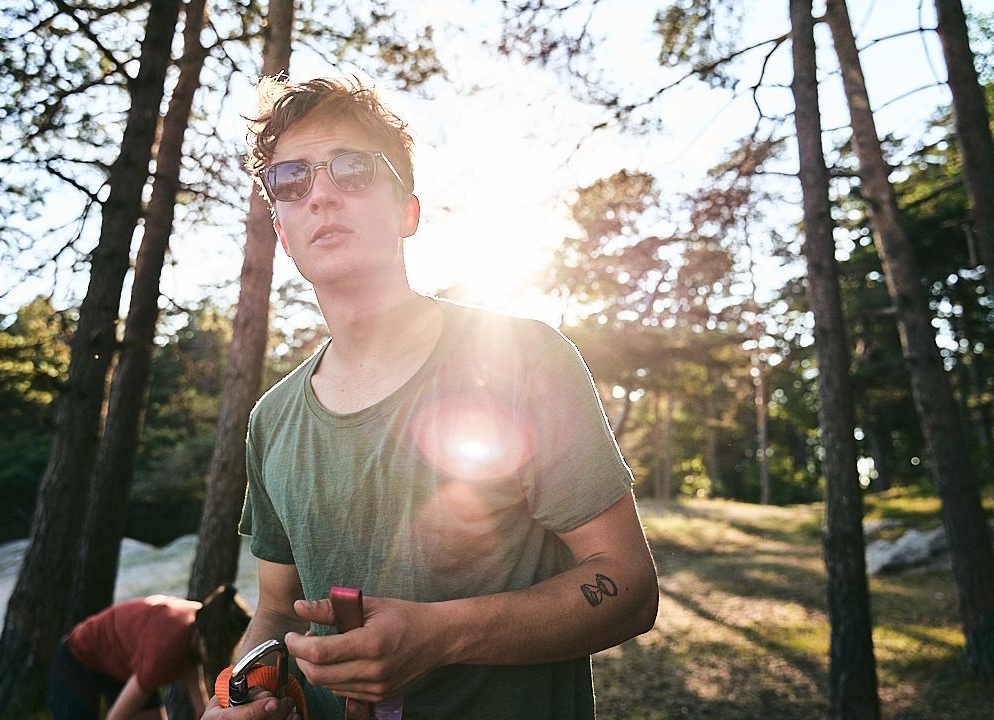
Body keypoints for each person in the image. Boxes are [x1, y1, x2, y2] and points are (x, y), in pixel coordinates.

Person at [202, 76, 658, 720]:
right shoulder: (271, 420)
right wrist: (234, 694)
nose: (322, 193)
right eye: (292, 179)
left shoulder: (523, 356)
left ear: (407, 212)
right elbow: (276, 608)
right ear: (280, 230)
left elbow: (629, 587)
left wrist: (442, 634)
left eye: (353, 169)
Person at [50, 585, 251, 720]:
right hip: (79, 659)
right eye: (219, 649)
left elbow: (200, 704)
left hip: (122, 664)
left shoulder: (203, 622)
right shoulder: (165, 648)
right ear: (203, 636)